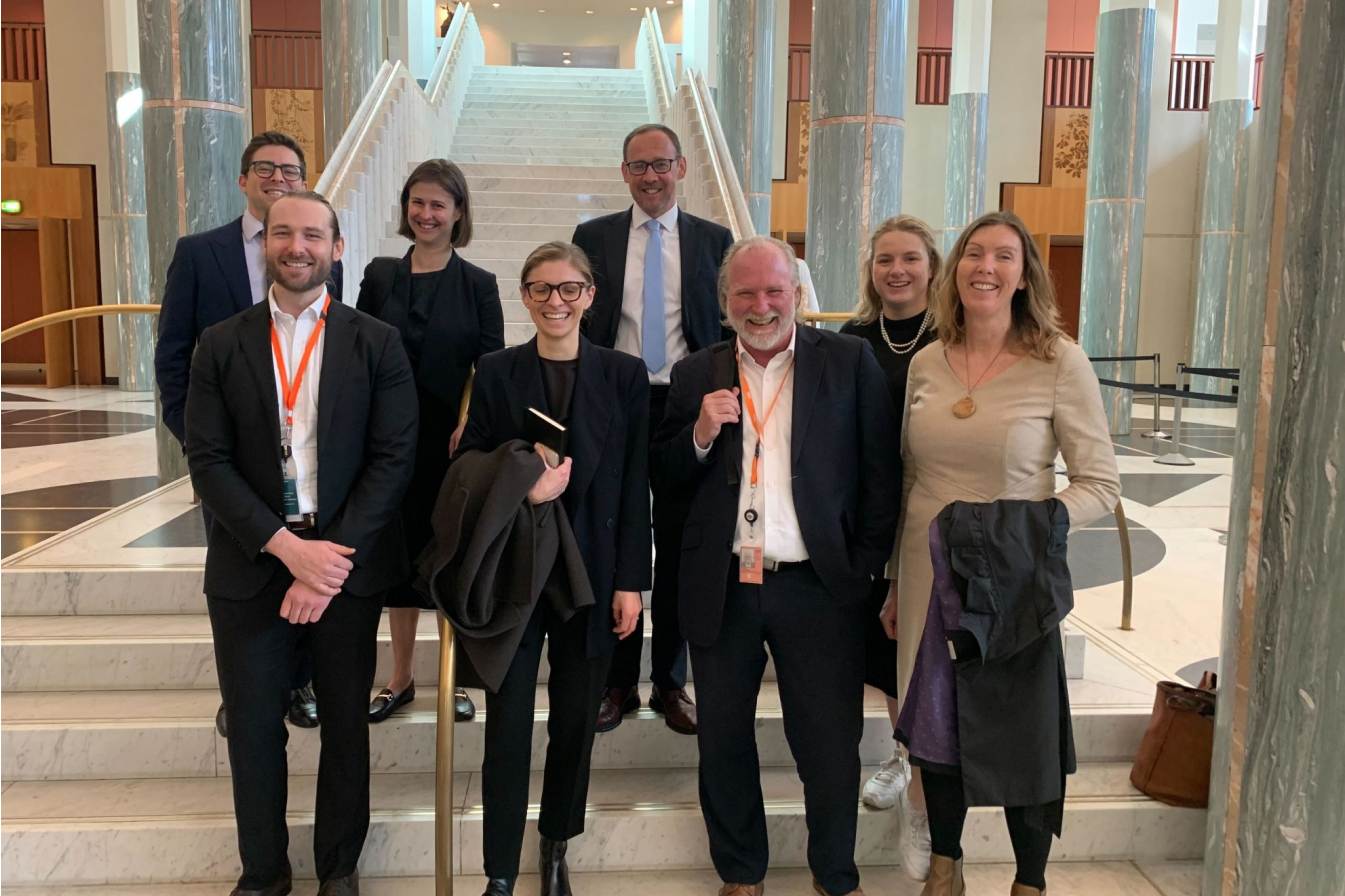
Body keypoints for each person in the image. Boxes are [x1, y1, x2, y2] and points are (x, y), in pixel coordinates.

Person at [880, 211, 1120, 895]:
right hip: (930, 575)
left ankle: (1029, 881)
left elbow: (1100, 484)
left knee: (1021, 736)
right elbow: (907, 476)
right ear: (953, 269)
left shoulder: (1056, 359)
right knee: (936, 729)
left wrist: (1026, 528)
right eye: (973, 254)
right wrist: (897, 581)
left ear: (1023, 275)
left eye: (1003, 256)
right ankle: (945, 866)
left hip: (1011, 581)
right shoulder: (927, 359)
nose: (985, 267)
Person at [186, 191, 418, 896]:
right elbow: (208, 460)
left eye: (312, 235)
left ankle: (338, 870)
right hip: (251, 564)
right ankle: (263, 874)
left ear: (336, 248)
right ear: (265, 246)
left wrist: (327, 560)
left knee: (346, 725)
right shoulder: (220, 343)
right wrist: (289, 550)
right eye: (282, 233)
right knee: (255, 730)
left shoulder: (375, 342)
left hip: (346, 565)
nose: (297, 246)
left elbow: (393, 456)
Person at [654, 236, 900, 896]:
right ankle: (740, 874)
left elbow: (881, 477)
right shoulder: (693, 375)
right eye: (745, 294)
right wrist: (699, 436)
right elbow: (666, 482)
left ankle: (834, 876)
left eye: (773, 292)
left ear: (795, 294)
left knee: (827, 747)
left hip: (819, 588)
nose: (760, 306)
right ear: (724, 302)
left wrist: (865, 570)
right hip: (725, 586)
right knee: (723, 742)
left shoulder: (847, 363)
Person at [457, 241, 651, 896]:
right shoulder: (496, 368)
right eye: (541, 289)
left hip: (592, 574)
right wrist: (522, 480)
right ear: (525, 297)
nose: (556, 302)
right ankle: (500, 870)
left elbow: (632, 487)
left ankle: (556, 848)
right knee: (506, 726)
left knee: (574, 724)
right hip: (516, 568)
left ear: (590, 296)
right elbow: (471, 467)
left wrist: (632, 582)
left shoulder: (624, 375)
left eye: (569, 289)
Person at [155, 130, 341, 736]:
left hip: (305, 462)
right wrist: (202, 448)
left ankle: (300, 681)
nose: (278, 180)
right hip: (231, 464)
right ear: (243, 179)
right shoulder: (199, 251)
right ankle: (244, 689)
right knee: (241, 578)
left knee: (306, 568)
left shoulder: (316, 256)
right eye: (265, 169)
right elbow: (174, 358)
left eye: (291, 172)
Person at [572, 123, 733, 735]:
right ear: (624, 172)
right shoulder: (594, 237)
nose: (650, 176)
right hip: (615, 398)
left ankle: (670, 680)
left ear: (682, 167)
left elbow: (722, 326)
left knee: (681, 541)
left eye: (661, 164)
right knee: (614, 539)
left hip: (687, 401)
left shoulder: (713, 239)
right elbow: (582, 319)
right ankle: (615, 680)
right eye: (638, 165)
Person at [358, 159, 503, 725]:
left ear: (458, 212)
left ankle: (452, 674)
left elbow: (492, 366)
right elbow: (356, 352)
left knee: (446, 556)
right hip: (387, 444)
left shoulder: (479, 285)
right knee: (395, 559)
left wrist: (475, 419)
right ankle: (399, 678)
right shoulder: (378, 275)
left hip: (449, 447)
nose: (426, 214)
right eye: (417, 202)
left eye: (438, 204)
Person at [839, 215, 941, 814]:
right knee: (887, 643)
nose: (897, 270)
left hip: (933, 503)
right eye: (885, 260)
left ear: (932, 265)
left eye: (909, 259)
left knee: (928, 642)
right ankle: (903, 754)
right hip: (873, 510)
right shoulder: (854, 336)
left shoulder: (952, 334)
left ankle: (937, 764)